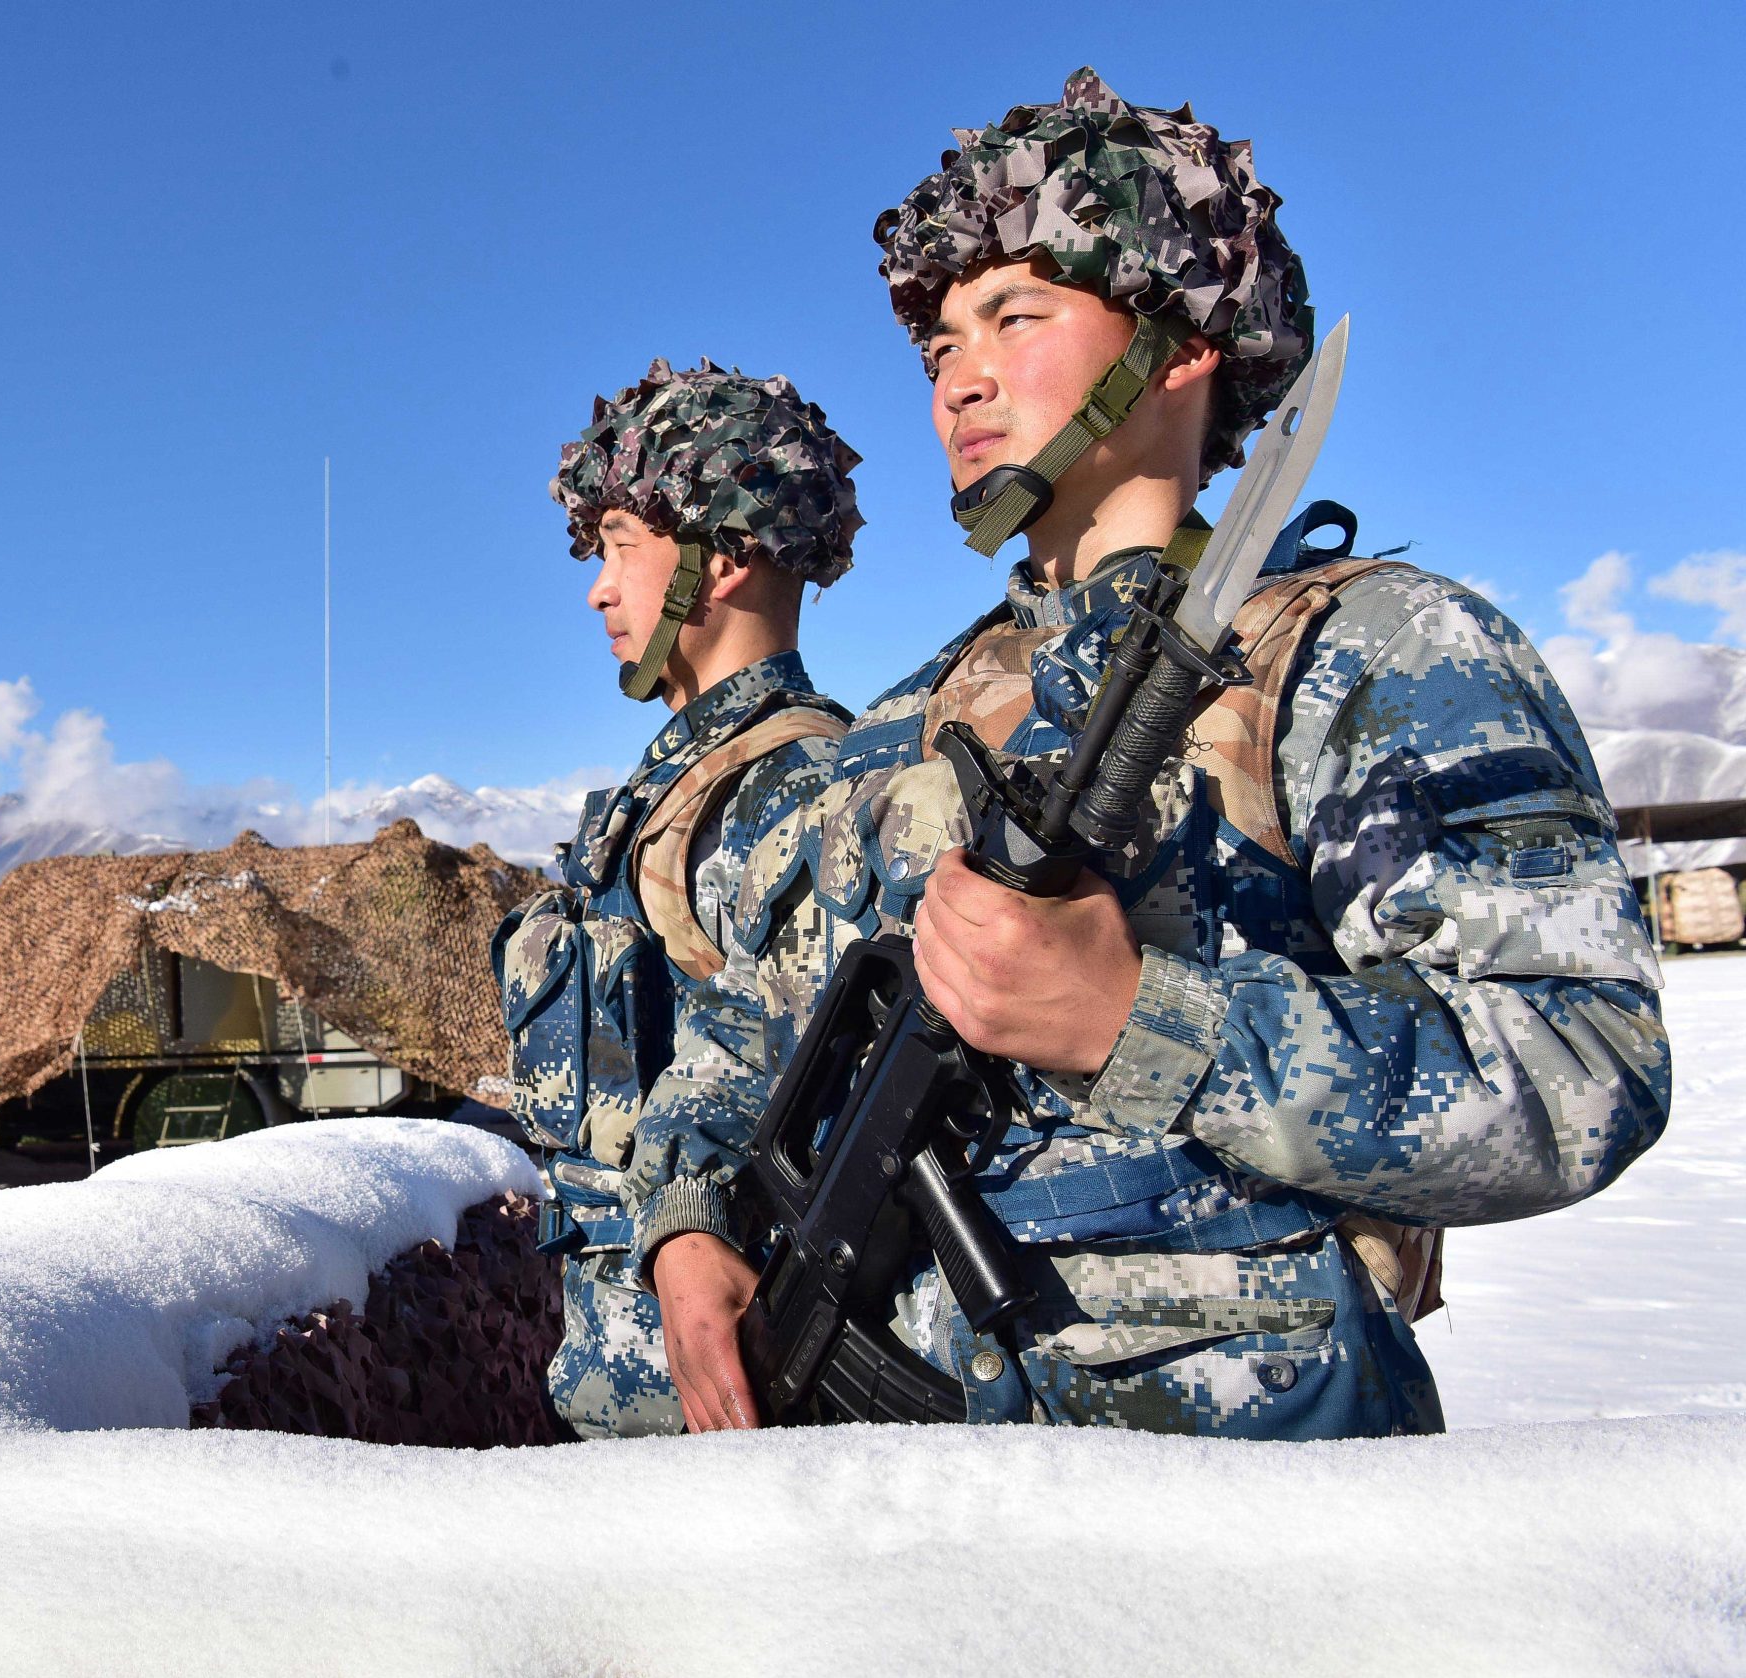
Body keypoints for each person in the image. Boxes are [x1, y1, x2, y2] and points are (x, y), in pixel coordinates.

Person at [628, 69, 1671, 1438]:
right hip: (884, 1476)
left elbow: (1581, 1057)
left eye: (1016, 314)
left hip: (1239, 1494)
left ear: (1177, 345)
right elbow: (739, 1032)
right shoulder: (891, 729)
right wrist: (689, 1228)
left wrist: (1143, 1022)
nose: (961, 377)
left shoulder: (1371, 650)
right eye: (940, 344)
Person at [497, 358, 862, 1438]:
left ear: (728, 556)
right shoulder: (668, 793)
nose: (598, 589)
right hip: (640, 1385)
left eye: (619, 546)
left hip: (733, 1400)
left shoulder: (792, 789)